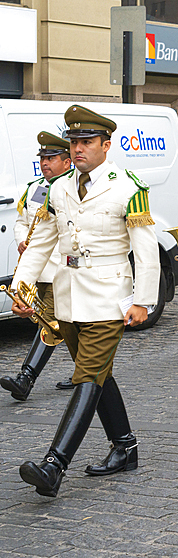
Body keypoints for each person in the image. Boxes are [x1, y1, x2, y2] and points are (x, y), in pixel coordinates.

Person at [11, 105, 158, 497]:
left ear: (106, 145)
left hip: (110, 295)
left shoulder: (128, 185)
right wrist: (22, 286)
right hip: (69, 294)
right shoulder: (59, 187)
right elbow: (42, 241)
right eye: (74, 142)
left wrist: (143, 300)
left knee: (88, 375)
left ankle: (54, 465)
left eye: (87, 142)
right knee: (97, 372)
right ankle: (125, 446)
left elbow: (145, 250)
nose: (78, 149)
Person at [0, 132, 76, 399]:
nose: (46, 163)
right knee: (63, 324)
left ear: (67, 162)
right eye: (43, 158)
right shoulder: (34, 188)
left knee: (51, 321)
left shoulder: (74, 188)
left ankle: (26, 378)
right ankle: (87, 372)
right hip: (39, 266)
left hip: (64, 268)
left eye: (52, 158)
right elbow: (22, 222)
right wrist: (22, 241)